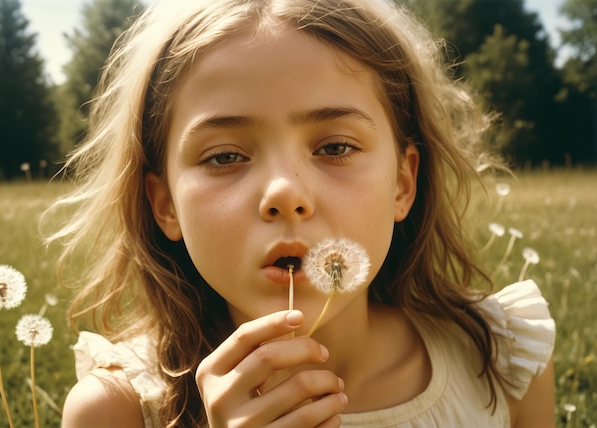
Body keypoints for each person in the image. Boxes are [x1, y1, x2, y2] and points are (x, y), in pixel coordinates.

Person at [49, 0, 556, 426]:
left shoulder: (501, 358)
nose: (285, 193)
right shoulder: (117, 410)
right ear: (165, 205)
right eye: (225, 156)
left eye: (335, 147)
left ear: (403, 184)